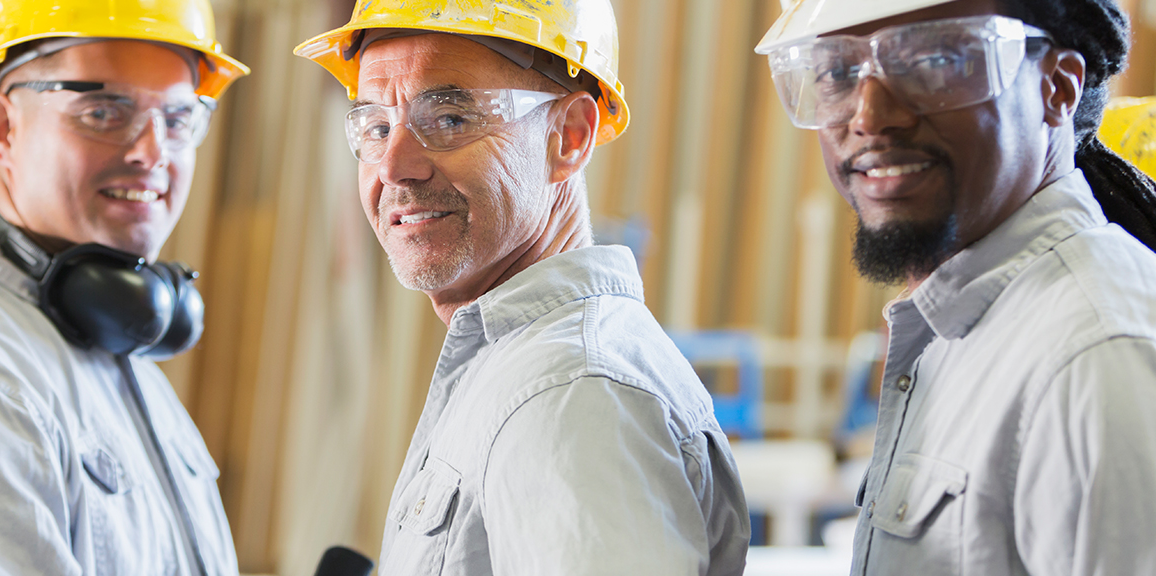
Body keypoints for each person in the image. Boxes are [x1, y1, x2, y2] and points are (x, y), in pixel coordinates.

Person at [295, 1, 750, 574]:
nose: (393, 166)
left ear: (570, 136)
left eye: (449, 119)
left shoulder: (572, 395)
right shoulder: (519, 365)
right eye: (377, 127)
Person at [756, 0, 1156, 573]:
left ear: (1057, 88)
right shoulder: (960, 332)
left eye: (934, 61)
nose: (870, 116)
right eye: (837, 71)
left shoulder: (1098, 356)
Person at [0, 0, 249, 574]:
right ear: (3, 129)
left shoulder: (110, 348)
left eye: (177, 120)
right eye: (103, 112)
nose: (153, 152)